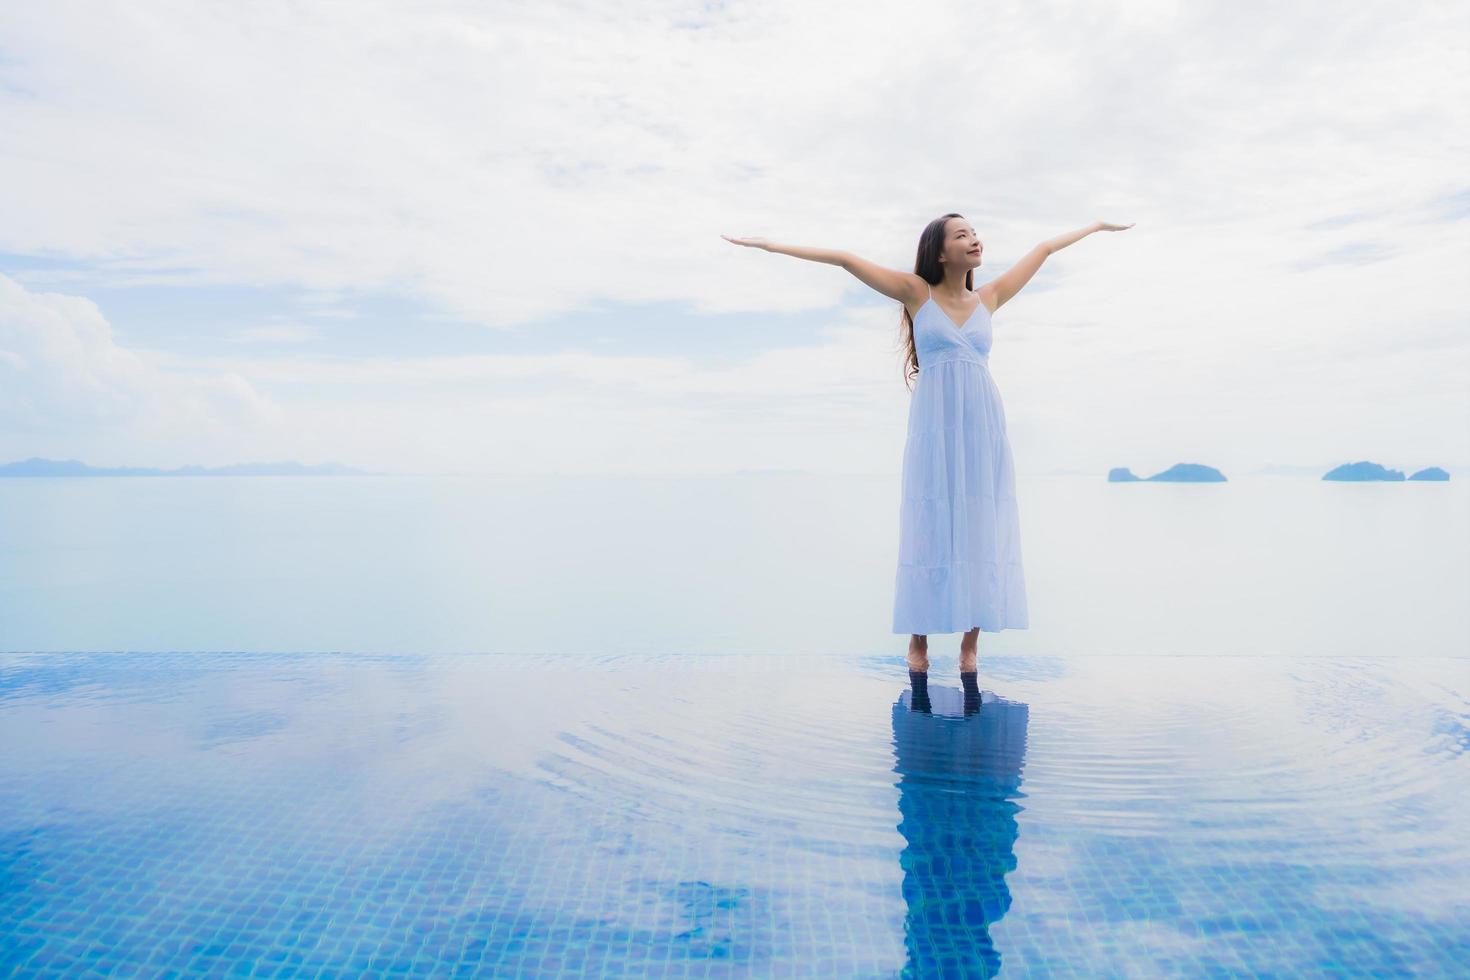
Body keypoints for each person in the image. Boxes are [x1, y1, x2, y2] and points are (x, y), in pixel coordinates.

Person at [723, 215, 1133, 690]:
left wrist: (1097, 227)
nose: (975, 238)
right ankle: (918, 640)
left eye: (974, 232)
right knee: (930, 522)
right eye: (962, 235)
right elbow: (843, 259)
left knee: (982, 523)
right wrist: (769, 244)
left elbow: (1042, 249)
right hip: (934, 430)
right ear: (940, 253)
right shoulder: (917, 294)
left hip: (982, 428)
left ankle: (970, 642)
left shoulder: (989, 298)